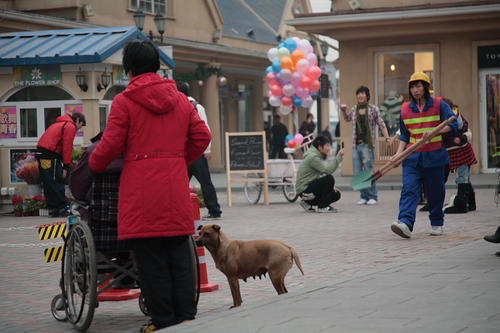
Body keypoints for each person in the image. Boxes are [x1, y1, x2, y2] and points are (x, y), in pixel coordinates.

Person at [88, 39, 211, 332]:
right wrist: (178, 161)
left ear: (128, 69)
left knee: (151, 259)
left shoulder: (125, 101)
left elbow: (111, 144)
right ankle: (186, 316)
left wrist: (93, 166)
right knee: (179, 254)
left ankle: (163, 321)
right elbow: (202, 136)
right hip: (174, 187)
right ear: (157, 65)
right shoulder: (181, 100)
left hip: (141, 191)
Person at [390, 72, 457, 239]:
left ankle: (436, 222)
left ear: (426, 88)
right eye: (412, 87)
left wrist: (436, 132)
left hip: (434, 157)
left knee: (435, 192)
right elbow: (404, 135)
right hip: (412, 158)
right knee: (409, 190)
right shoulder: (405, 108)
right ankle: (405, 222)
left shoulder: (439, 104)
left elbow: (453, 124)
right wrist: (398, 155)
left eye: (418, 86)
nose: (415, 90)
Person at [176, 81, 222, 220]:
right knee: (198, 182)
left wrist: (206, 149)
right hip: (192, 152)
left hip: (190, 153)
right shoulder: (192, 106)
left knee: (193, 183)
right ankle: (211, 210)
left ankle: (214, 210)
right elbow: (205, 128)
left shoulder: (193, 106)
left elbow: (205, 129)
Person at [341, 86, 390, 205]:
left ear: (367, 96)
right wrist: (343, 110)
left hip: (367, 145)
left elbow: (381, 123)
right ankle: (363, 196)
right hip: (355, 145)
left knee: (368, 171)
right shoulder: (354, 109)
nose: (360, 95)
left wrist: (387, 137)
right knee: (358, 172)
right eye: (358, 93)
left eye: (363, 93)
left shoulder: (373, 109)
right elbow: (347, 119)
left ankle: (372, 196)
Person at [36, 112, 86, 217]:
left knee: (48, 182)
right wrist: (66, 167)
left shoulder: (60, 123)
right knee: (57, 180)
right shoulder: (70, 126)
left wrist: (68, 162)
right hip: (50, 155)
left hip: (42, 153)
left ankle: (53, 209)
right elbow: (67, 147)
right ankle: (62, 209)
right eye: (80, 125)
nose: (79, 129)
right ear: (77, 120)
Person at [441, 98, 477, 214]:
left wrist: (462, 139)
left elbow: (467, 131)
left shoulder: (456, 117)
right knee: (464, 177)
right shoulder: (443, 117)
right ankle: (471, 203)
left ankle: (461, 204)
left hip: (462, 150)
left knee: (462, 177)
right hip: (452, 152)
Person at [295, 135, 344, 213]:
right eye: (327, 146)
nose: (329, 148)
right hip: (305, 191)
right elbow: (328, 171)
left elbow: (319, 175)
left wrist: (331, 187)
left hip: (307, 191)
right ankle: (322, 207)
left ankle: (307, 203)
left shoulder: (314, 155)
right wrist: (338, 157)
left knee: (336, 194)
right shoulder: (313, 157)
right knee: (329, 178)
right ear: (320, 147)